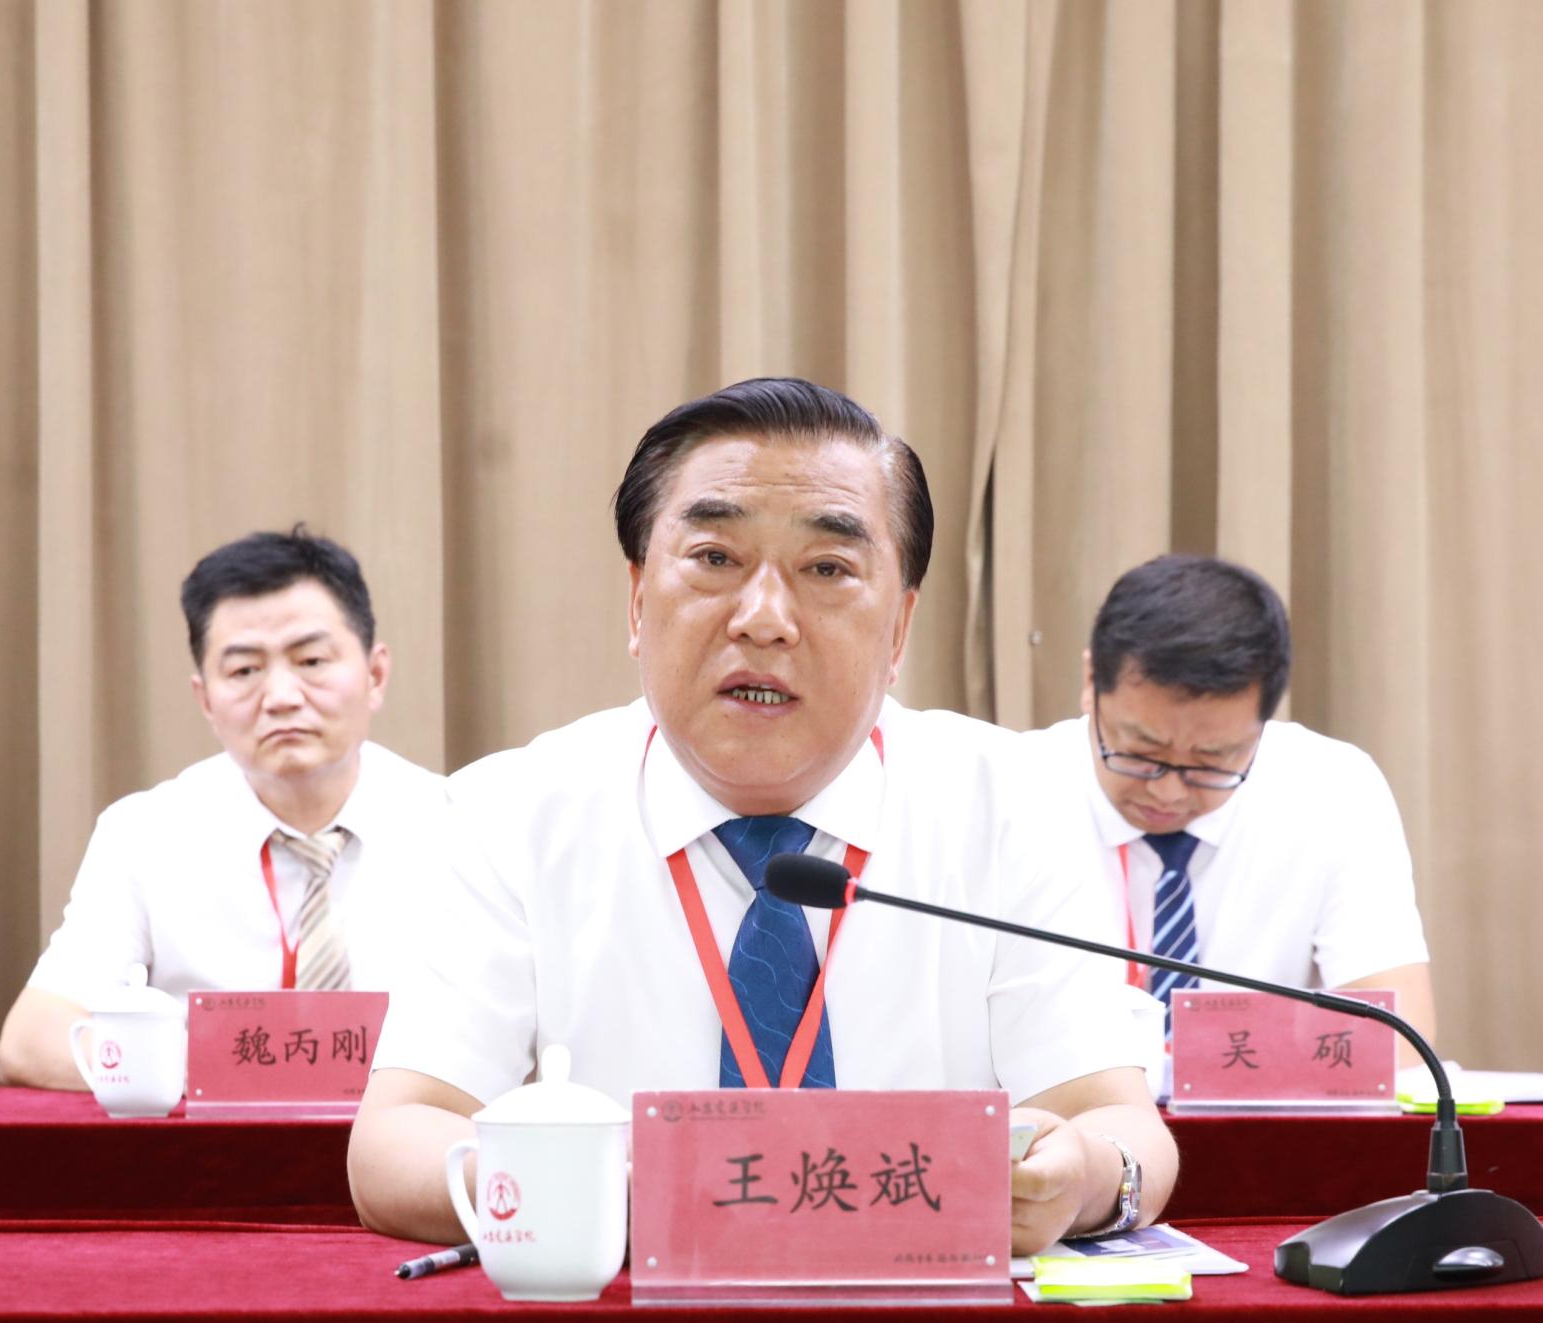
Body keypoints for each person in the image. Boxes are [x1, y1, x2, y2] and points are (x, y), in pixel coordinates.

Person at [349, 378, 1173, 1254]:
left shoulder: (1007, 806)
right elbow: (398, 1141)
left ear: (899, 629)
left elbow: (1121, 1125)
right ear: (637, 601)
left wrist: (1085, 1177)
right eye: (715, 558)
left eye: (827, 569)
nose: (764, 619)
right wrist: (602, 1193)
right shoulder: (511, 814)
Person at [0, 527, 444, 1089]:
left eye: (311, 660)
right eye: (244, 671)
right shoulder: (145, 833)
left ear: (375, 675)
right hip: (210, 1140)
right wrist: (230, 1072)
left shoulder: (457, 828)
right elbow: (32, 1039)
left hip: (403, 1137)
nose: (281, 697)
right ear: (206, 699)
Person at [1023, 554, 1435, 1066]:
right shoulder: (1017, 793)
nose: (1168, 792)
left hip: (1260, 1112)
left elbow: (1399, 1043)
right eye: (1141, 752)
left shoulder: (1333, 788)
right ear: (1091, 682)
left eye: (1212, 761)